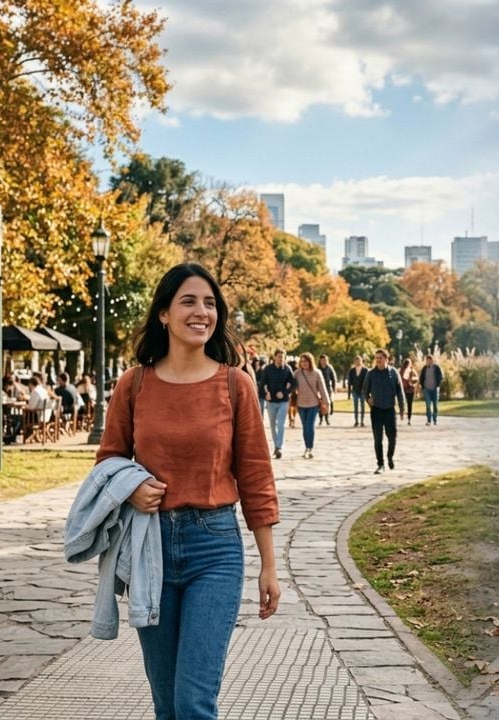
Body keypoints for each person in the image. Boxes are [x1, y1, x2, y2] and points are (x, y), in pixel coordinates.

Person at [95, 262, 280, 719]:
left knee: (193, 703)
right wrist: (132, 488)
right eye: (189, 301)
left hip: (214, 550)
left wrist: (269, 566)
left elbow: (256, 477)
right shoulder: (134, 383)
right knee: (167, 707)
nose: (202, 312)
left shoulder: (235, 385)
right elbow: (108, 462)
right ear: (164, 313)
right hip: (149, 550)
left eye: (210, 303)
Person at [363, 349, 405, 474]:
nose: (378, 360)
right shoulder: (371, 374)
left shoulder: (393, 373)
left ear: (386, 359)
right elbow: (365, 390)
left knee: (392, 437)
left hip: (389, 409)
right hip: (376, 410)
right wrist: (368, 399)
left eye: (380, 358)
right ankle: (380, 464)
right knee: (378, 439)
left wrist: (402, 408)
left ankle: (390, 456)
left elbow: (400, 391)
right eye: (376, 358)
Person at [293, 352, 329, 459]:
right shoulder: (297, 374)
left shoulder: (317, 373)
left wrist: (327, 403)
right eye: (302, 361)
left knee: (310, 425)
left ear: (310, 362)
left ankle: (309, 448)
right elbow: (291, 387)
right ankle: (306, 447)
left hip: (313, 404)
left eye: (306, 361)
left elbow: (322, 389)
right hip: (301, 404)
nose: (304, 363)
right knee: (305, 427)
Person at [262, 350, 294, 459]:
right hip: (271, 402)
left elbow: (293, 384)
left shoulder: (287, 369)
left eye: (283, 357)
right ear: (274, 357)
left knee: (281, 424)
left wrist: (285, 392)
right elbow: (262, 383)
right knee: (272, 424)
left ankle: (279, 447)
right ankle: (276, 445)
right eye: (279, 356)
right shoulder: (268, 369)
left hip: (283, 401)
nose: (281, 359)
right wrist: (266, 394)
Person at [419, 354, 444, 426]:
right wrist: (422, 386)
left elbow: (441, 376)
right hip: (427, 389)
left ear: (432, 360)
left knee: (435, 405)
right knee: (428, 405)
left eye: (429, 360)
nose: (428, 362)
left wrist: (438, 384)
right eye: (427, 360)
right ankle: (429, 420)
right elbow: (421, 378)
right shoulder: (424, 368)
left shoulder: (436, 368)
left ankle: (435, 419)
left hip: (435, 389)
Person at [347, 355, 368, 427]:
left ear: (361, 361)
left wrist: (367, 391)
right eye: (356, 361)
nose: (358, 362)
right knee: (355, 407)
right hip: (355, 391)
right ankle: (356, 421)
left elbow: (367, 382)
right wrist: (349, 394)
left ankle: (362, 421)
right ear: (354, 362)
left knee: (362, 406)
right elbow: (349, 382)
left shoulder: (365, 370)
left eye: (359, 361)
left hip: (363, 391)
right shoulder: (351, 371)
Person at [317, 355, 337, 426]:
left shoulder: (329, 368)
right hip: (319, 388)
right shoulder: (318, 369)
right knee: (320, 404)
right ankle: (321, 419)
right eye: (322, 360)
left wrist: (334, 388)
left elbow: (333, 378)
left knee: (327, 403)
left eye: (325, 360)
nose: (324, 362)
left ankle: (327, 418)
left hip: (327, 388)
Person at [399, 358, 419, 425]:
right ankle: (402, 414)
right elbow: (399, 380)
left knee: (409, 404)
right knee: (402, 403)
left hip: (410, 390)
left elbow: (416, 378)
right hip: (403, 390)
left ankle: (409, 418)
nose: (408, 365)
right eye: (407, 364)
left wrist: (412, 380)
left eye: (409, 364)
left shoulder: (412, 371)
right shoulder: (401, 371)